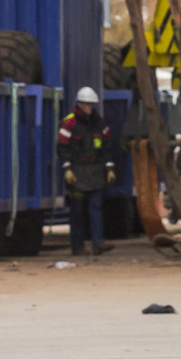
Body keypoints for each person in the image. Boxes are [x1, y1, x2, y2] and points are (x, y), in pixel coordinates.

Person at [59, 86, 115, 259]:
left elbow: (107, 147)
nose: (90, 107)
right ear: (80, 104)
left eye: (92, 104)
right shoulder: (69, 123)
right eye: (87, 104)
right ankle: (77, 246)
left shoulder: (100, 123)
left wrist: (110, 168)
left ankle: (98, 243)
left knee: (96, 207)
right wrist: (67, 169)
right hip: (77, 174)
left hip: (96, 173)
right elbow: (62, 147)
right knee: (77, 211)